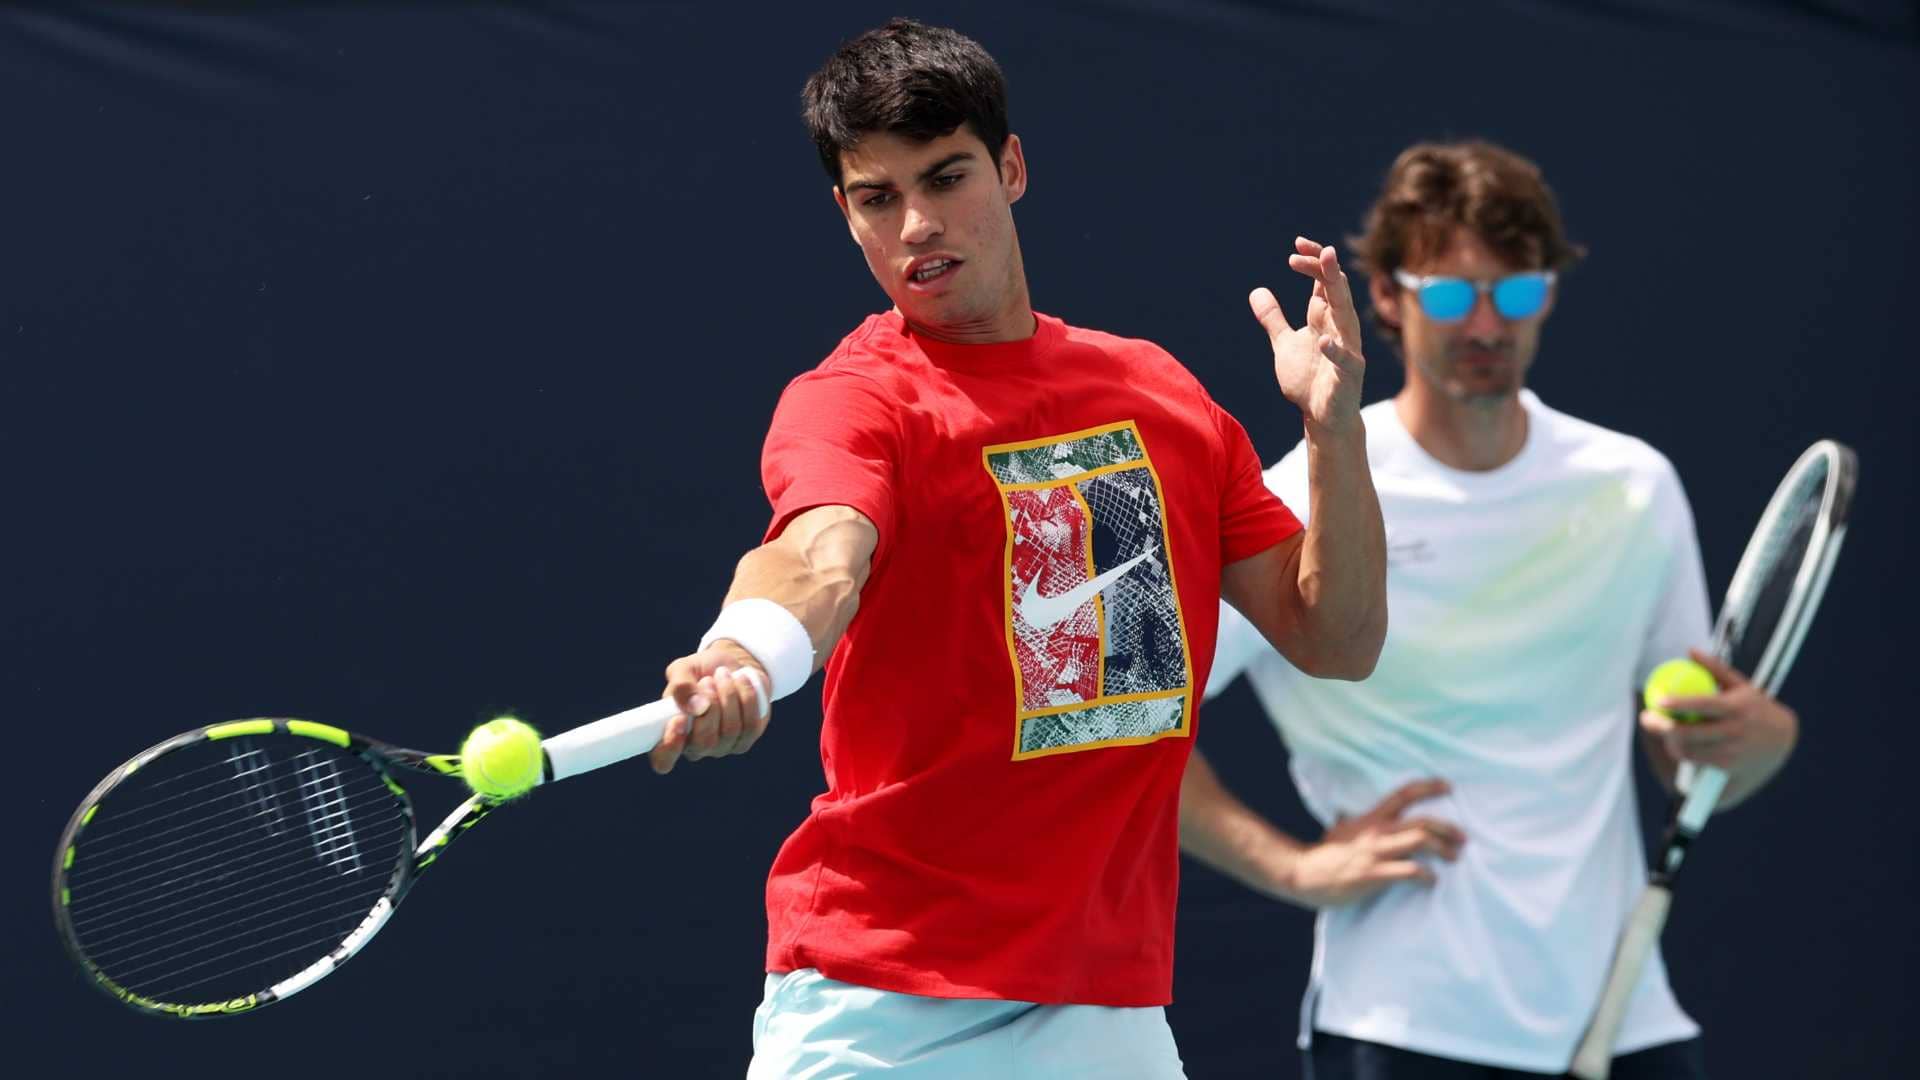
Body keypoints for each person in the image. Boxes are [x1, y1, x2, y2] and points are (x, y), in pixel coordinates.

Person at [642, 18, 1387, 1078]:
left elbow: (1339, 636)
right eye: (876, 197)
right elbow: (820, 554)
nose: (915, 226)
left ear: (1013, 167)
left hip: (1109, 1007)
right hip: (882, 1003)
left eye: (945, 178)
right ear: (844, 214)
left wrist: (1332, 431)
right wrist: (745, 654)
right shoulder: (852, 404)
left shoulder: (1160, 396)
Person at [1184, 140, 1800, 1079]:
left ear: (1548, 293)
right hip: (1403, 1026)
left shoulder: (1635, 487)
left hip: (1629, 1021)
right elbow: (1133, 724)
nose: (1484, 323)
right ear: (1386, 297)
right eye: (1447, 294)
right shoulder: (1313, 500)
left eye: (1513, 292)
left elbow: (1685, 751)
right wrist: (1291, 868)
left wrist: (1756, 746)